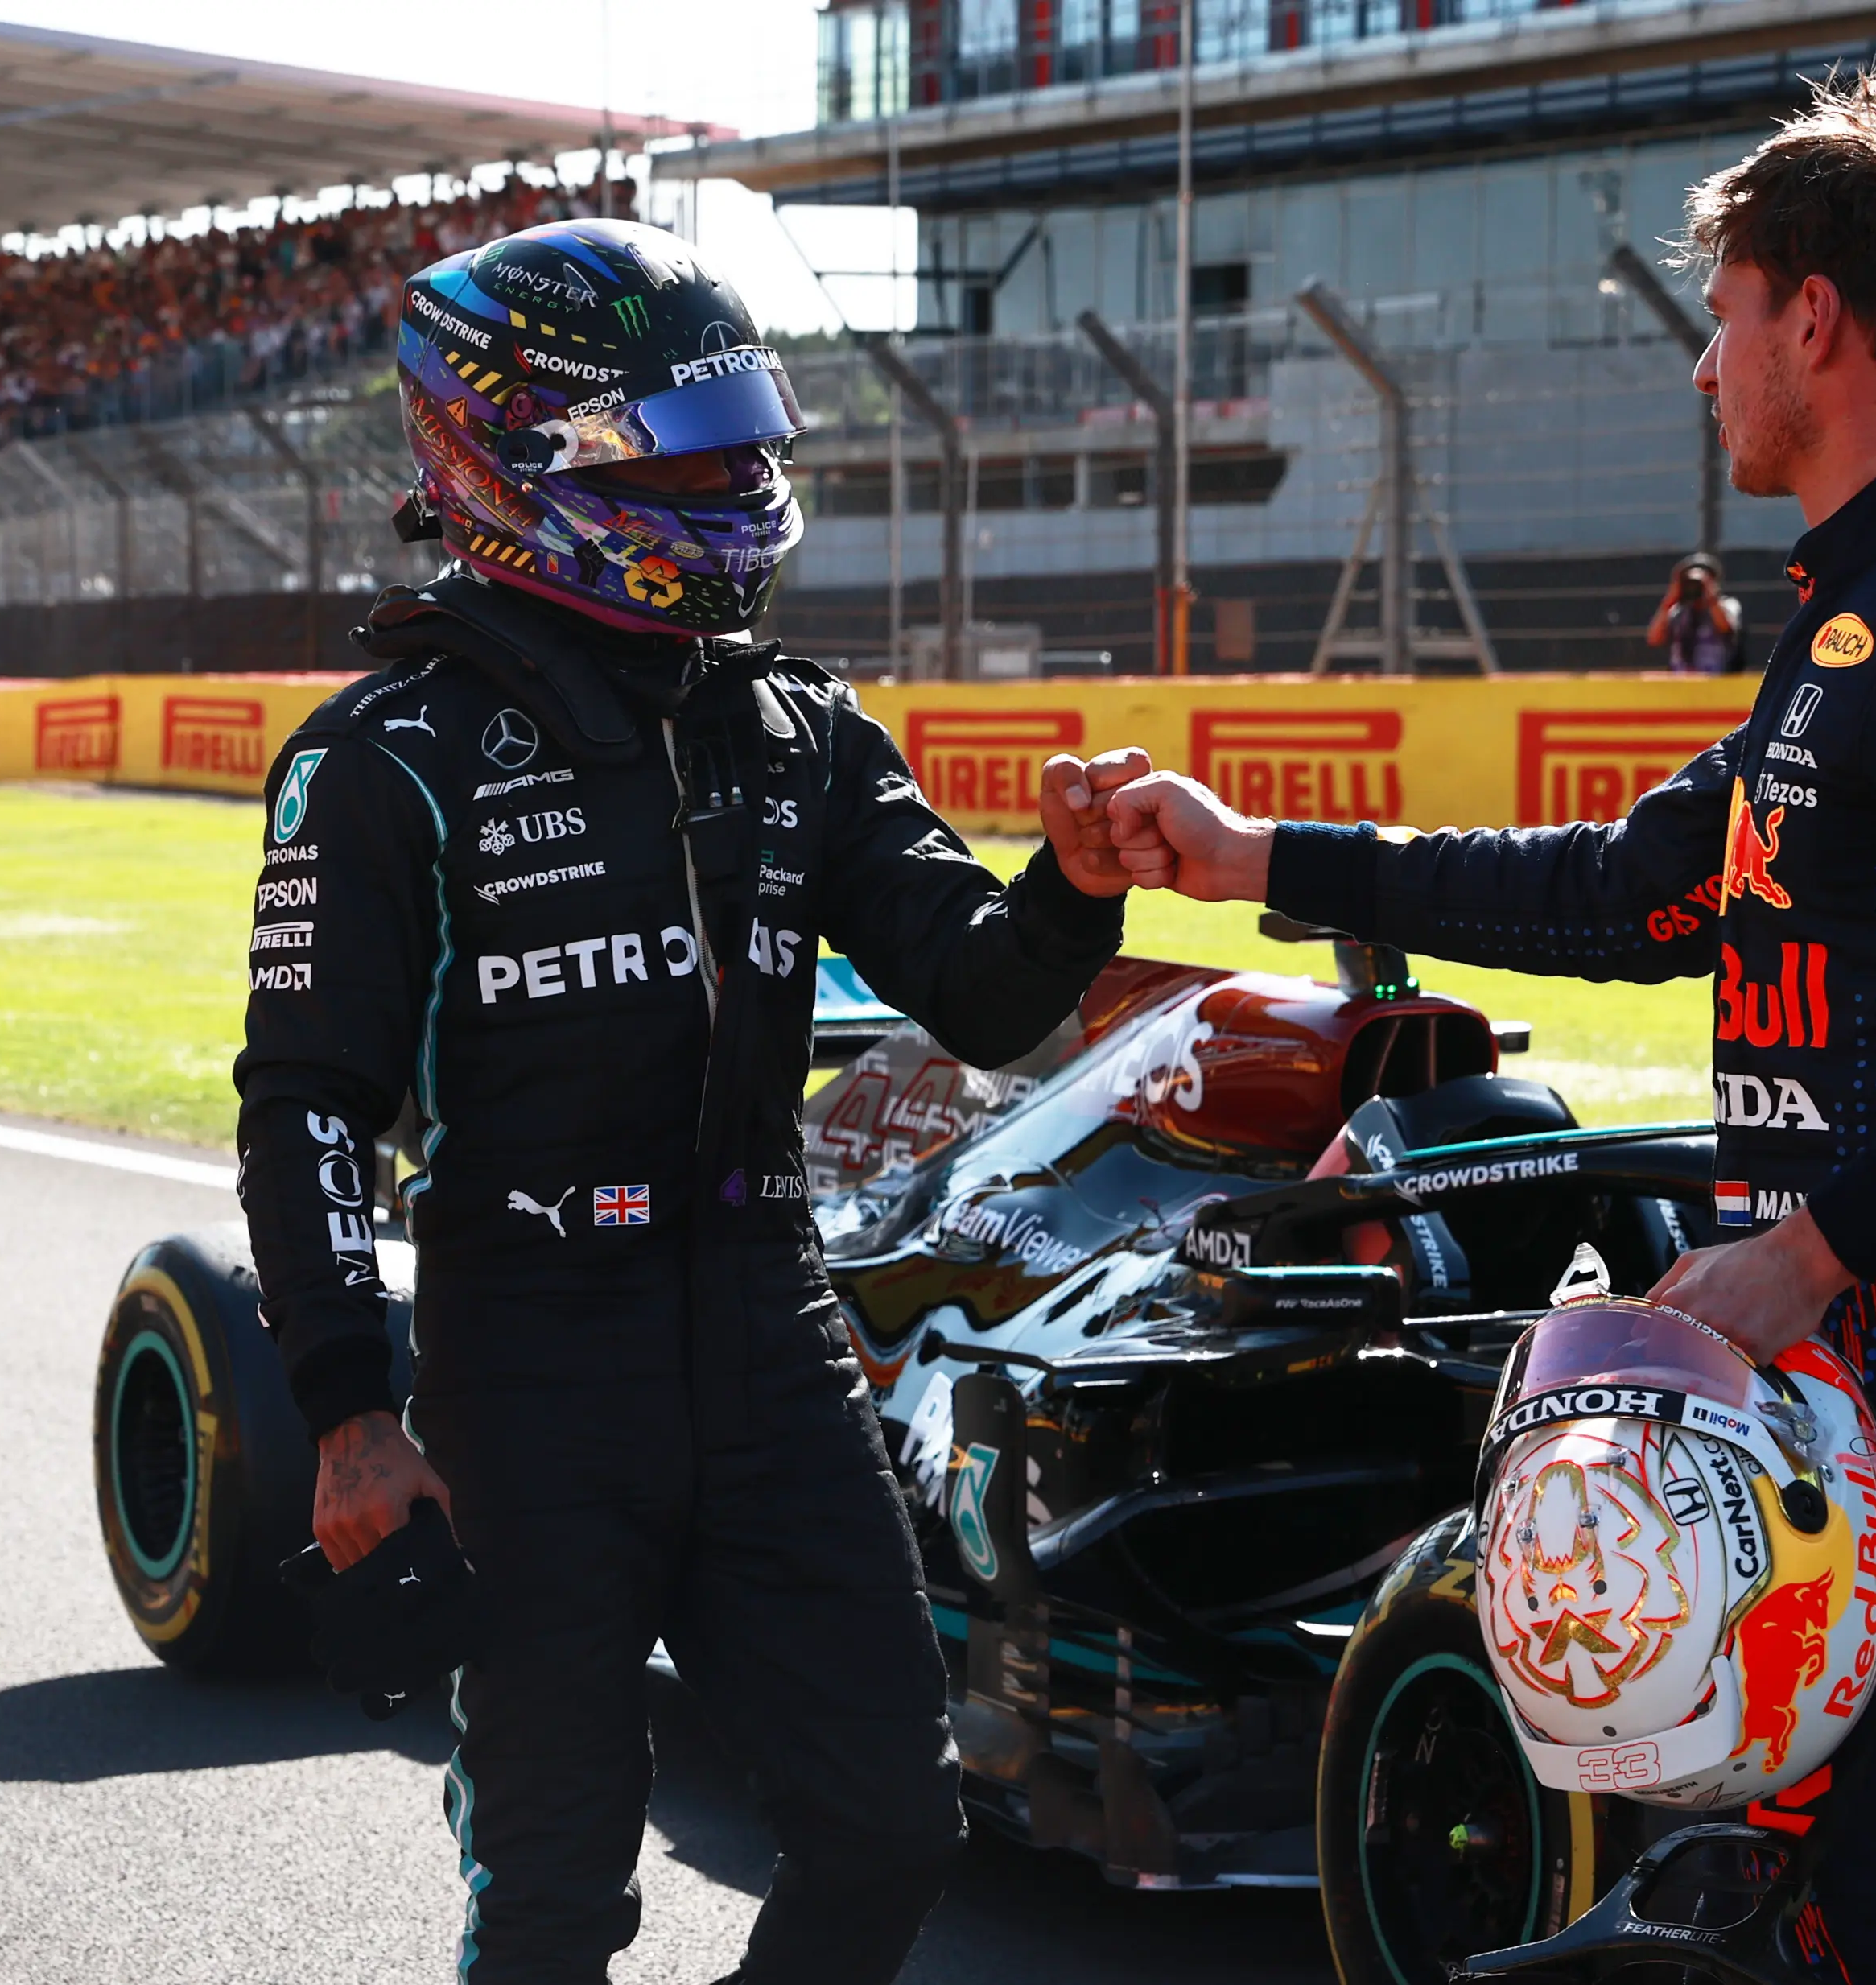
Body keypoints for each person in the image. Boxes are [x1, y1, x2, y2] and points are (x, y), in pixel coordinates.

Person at [1106, 72, 1876, 1983]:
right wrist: (1250, 857)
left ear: (1813, 317)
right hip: (1834, 1375)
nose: (1705, 370)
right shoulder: (1870, 610)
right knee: (1776, 1930)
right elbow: (1625, 894)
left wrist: (1818, 1242)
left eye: (1721, 316)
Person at [235, 217, 1146, 1985]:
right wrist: (351, 1412)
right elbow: (304, 1110)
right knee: (557, 1901)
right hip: (529, 1360)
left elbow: (979, 988)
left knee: (892, 1828)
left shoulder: (802, 724)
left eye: (746, 434)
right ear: (518, 453)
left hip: (767, 1328)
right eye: (691, 440)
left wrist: (1072, 886)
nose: (738, 476)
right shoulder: (380, 758)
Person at [1648, 553, 1745, 672]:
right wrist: (1669, 601)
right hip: (1680, 679)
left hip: (1715, 679)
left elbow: (1725, 627)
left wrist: (1710, 595)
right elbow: (1654, 639)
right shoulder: (1678, 611)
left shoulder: (1728, 605)